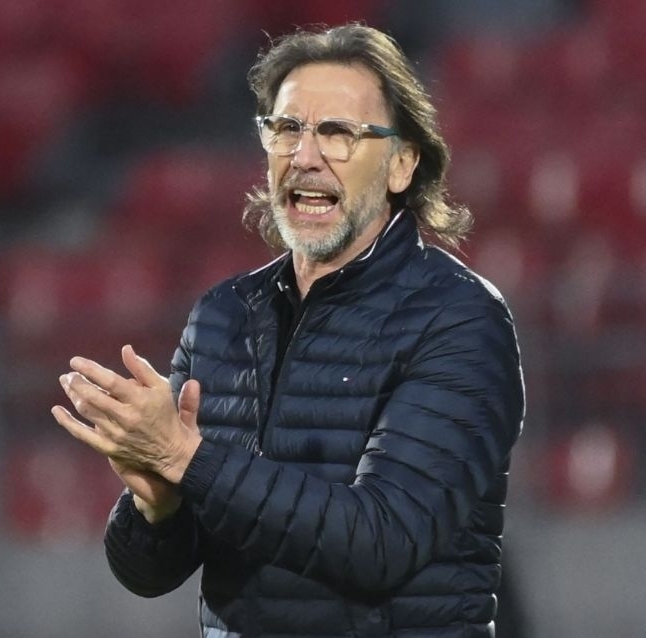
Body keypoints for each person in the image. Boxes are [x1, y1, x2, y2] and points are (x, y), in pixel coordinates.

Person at [52, 23, 525, 638]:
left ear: (402, 163)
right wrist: (156, 507)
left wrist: (184, 458)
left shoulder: (459, 319)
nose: (304, 156)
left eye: (338, 133)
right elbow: (151, 573)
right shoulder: (222, 317)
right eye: (286, 129)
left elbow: (383, 542)